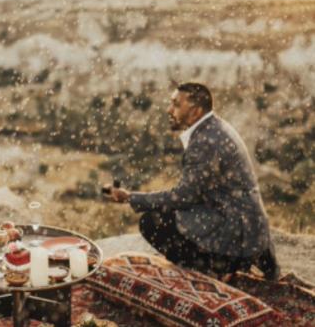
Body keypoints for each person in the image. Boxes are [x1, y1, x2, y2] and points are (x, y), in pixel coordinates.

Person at [104, 82, 279, 280]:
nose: (169, 110)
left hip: (238, 233)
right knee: (169, 212)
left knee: (152, 223)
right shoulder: (214, 128)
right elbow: (192, 193)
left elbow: (183, 197)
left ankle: (209, 269)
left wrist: (130, 197)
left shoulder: (204, 142)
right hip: (247, 226)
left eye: (176, 105)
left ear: (195, 112)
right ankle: (237, 259)